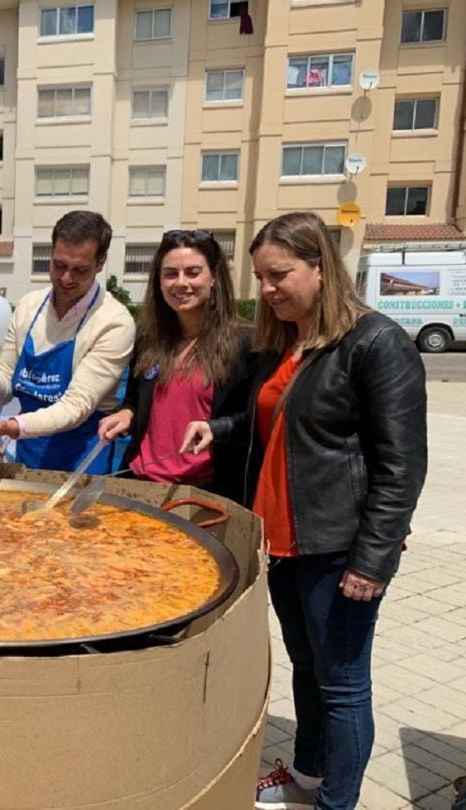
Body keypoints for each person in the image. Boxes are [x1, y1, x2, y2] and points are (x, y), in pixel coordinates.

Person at [182, 211, 427, 810]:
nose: (266, 289)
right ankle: (310, 775)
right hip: (283, 544)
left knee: (342, 686)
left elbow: (402, 465)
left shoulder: (375, 343)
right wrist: (218, 427)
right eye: (261, 277)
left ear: (320, 267)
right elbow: (277, 424)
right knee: (305, 668)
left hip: (337, 548)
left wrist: (371, 562)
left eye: (279, 275)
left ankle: (336, 802)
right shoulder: (286, 342)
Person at [97, 229, 252, 500]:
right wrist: (127, 415)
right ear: (158, 281)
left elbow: (252, 424)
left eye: (193, 272)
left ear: (214, 277)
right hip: (139, 485)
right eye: (170, 274)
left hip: (202, 495)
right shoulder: (148, 339)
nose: (181, 283)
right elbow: (135, 401)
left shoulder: (245, 345)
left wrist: (215, 429)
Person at [0, 210, 135, 473]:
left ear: (101, 263)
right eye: (59, 265)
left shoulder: (114, 322)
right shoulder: (28, 307)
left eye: (80, 270)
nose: (66, 278)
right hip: (28, 457)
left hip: (82, 463)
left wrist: (12, 426)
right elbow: (4, 387)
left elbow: (75, 407)